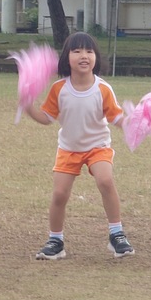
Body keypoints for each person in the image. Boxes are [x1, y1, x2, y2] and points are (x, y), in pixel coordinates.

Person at [25, 32, 134, 260]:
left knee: (105, 181)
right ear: (66, 58)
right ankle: (55, 241)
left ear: (96, 57)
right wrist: (28, 106)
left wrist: (135, 124)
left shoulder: (103, 88)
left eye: (89, 51)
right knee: (59, 194)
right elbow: (46, 118)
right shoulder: (59, 88)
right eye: (77, 51)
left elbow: (116, 117)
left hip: (98, 146)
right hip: (68, 149)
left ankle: (117, 235)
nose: (84, 56)